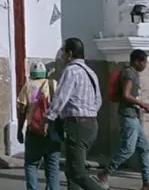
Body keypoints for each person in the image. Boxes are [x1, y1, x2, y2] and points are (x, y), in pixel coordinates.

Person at [45, 38, 104, 190]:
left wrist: (49, 117)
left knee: (78, 173)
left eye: (63, 52)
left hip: (77, 125)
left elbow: (61, 96)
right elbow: (98, 100)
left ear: (70, 53)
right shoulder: (91, 72)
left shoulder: (71, 71)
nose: (62, 56)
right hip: (91, 124)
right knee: (71, 172)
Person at [98, 49, 149, 189]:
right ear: (136, 61)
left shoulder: (133, 73)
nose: (145, 65)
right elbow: (126, 95)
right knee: (128, 149)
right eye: (144, 62)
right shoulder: (129, 73)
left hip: (133, 116)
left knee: (144, 149)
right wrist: (143, 105)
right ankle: (104, 173)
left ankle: (146, 182)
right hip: (128, 116)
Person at [16, 62, 60, 190]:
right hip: (51, 131)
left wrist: (19, 130)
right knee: (53, 168)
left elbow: (22, 110)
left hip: (34, 131)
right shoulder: (53, 84)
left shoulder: (28, 86)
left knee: (31, 165)